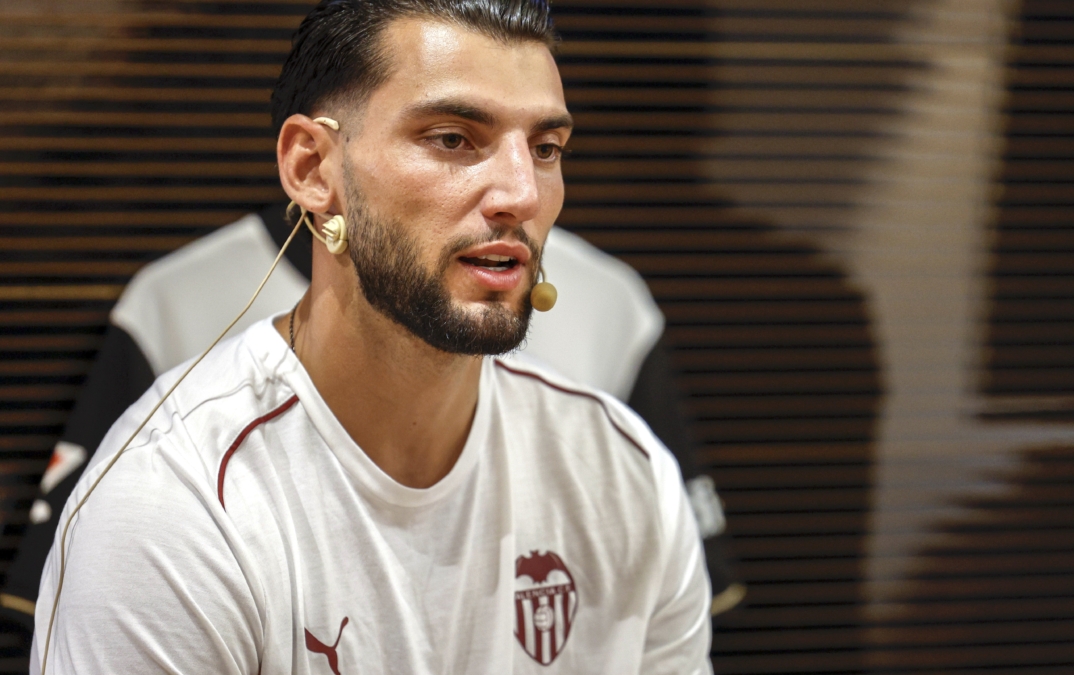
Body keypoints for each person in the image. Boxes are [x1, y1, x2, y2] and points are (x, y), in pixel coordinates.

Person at [31, 1, 712, 672]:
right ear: (312, 168)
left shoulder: (626, 474)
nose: (522, 194)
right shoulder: (170, 504)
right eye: (453, 138)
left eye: (545, 148)